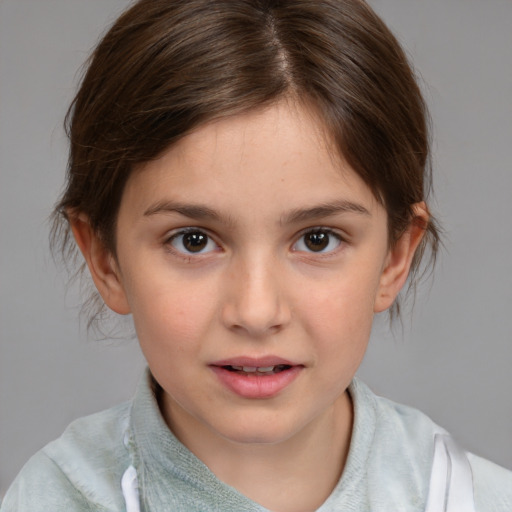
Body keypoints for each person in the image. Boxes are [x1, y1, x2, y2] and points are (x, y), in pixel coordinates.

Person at [1, 0, 511, 510]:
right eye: (193, 240)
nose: (256, 311)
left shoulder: (473, 499)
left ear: (395, 256)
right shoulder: (52, 499)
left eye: (317, 239)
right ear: (105, 258)